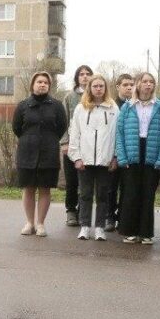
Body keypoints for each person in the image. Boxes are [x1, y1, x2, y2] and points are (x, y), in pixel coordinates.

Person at [115, 72, 160, 244]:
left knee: (148, 194)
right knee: (131, 193)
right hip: (132, 151)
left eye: (151, 82)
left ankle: (145, 233)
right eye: (144, 81)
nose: (148, 84)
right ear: (138, 84)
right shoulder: (128, 107)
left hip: (151, 152)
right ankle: (129, 231)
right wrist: (122, 157)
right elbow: (119, 133)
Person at [13, 71, 68, 238]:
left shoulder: (57, 106)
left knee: (45, 189)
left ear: (49, 86)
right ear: (33, 85)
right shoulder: (23, 105)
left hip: (49, 152)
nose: (42, 84)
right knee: (28, 188)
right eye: (39, 82)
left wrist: (49, 140)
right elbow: (17, 128)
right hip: (27, 152)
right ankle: (29, 223)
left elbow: (62, 127)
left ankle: (41, 223)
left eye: (45, 82)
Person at [67, 74, 118, 240]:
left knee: (103, 195)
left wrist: (115, 157)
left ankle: (100, 228)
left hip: (105, 160)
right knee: (85, 194)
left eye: (101, 86)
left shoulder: (112, 108)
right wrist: (76, 157)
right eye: (95, 86)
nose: (98, 89)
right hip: (85, 160)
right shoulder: (81, 108)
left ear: (105, 88)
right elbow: (74, 134)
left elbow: (117, 134)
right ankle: (85, 226)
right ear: (89, 88)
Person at [61, 64, 93, 226]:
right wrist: (65, 142)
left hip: (89, 146)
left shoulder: (97, 97)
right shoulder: (69, 97)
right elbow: (63, 121)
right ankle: (71, 211)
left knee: (86, 182)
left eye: (88, 74)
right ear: (77, 78)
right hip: (72, 145)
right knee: (72, 181)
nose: (85, 77)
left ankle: (83, 211)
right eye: (81, 74)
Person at [105, 73, 135, 231]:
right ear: (118, 87)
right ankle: (109, 216)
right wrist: (114, 154)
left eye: (131, 84)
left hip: (130, 153)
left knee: (127, 187)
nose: (129, 87)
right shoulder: (111, 105)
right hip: (112, 153)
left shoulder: (136, 105)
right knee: (111, 186)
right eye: (125, 84)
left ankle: (123, 216)